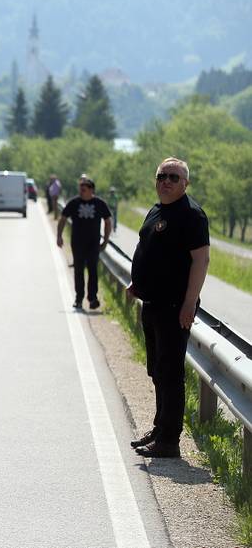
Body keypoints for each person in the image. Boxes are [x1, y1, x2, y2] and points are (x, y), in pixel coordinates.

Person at [127, 157, 209, 459]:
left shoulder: (191, 215)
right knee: (157, 371)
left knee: (171, 373)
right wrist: (137, 282)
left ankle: (169, 440)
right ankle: (159, 428)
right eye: (162, 176)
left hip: (174, 306)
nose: (166, 181)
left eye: (174, 177)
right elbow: (147, 248)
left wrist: (189, 303)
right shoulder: (157, 210)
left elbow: (201, 261)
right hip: (152, 303)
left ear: (185, 183)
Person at [57, 176, 112, 310]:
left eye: (84, 189)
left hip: (93, 244)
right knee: (79, 270)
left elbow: (108, 221)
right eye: (80, 189)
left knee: (93, 270)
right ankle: (79, 298)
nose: (81, 191)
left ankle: (92, 298)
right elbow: (63, 219)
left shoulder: (99, 204)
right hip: (77, 243)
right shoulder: (74, 203)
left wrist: (105, 240)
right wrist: (59, 236)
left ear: (91, 190)